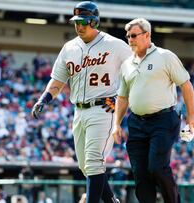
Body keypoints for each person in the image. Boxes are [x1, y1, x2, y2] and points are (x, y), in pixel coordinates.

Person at [31, 1, 131, 202]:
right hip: (79, 111)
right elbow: (58, 79)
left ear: (94, 22)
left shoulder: (115, 45)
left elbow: (135, 72)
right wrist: (44, 98)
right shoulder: (69, 47)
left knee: (94, 162)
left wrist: (120, 97)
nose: (79, 26)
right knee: (86, 166)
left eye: (84, 21)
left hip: (104, 109)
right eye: (76, 22)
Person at [111, 18, 194, 203]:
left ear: (147, 35)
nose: (130, 39)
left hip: (163, 120)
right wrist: (116, 124)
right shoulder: (127, 64)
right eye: (128, 36)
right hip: (136, 123)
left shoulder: (165, 56)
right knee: (140, 175)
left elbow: (185, 84)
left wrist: (191, 114)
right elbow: (122, 97)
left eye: (134, 35)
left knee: (157, 167)